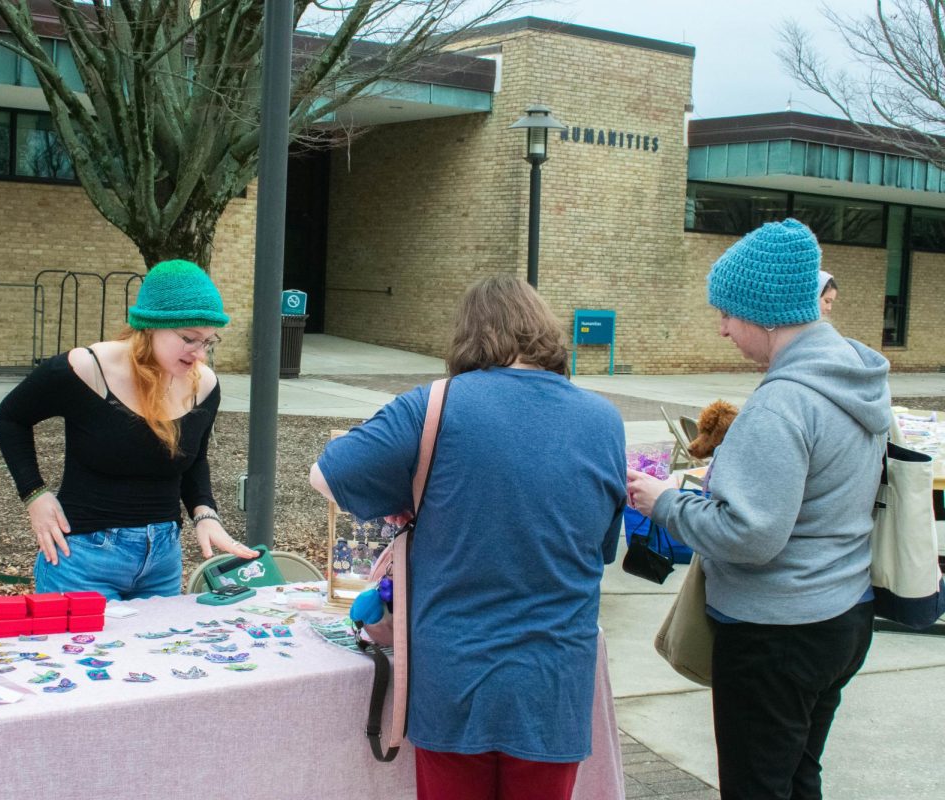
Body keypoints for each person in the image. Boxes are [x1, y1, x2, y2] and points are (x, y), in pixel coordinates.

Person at [310, 275, 626, 800]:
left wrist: (406, 496)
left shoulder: (432, 406)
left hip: (454, 675)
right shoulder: (603, 420)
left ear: (469, 337)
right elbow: (597, 547)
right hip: (552, 679)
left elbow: (327, 475)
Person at [627, 219, 889, 800]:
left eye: (727, 315)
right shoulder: (854, 379)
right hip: (842, 613)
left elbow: (750, 536)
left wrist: (665, 502)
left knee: (756, 787)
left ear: (765, 315)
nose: (722, 330)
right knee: (797, 776)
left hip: (777, 632)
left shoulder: (782, 404)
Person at [0, 259, 256, 600]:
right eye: (190, 339)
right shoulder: (86, 369)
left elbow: (194, 461)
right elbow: (11, 417)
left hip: (162, 561)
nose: (200, 355)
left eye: (208, 341)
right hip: (83, 559)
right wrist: (34, 494)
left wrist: (205, 514)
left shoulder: (203, 385)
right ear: (150, 327)